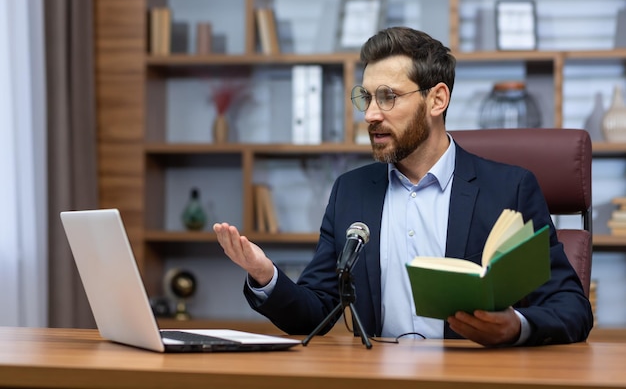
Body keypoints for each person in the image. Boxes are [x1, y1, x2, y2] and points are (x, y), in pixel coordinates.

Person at [213, 27, 593, 347]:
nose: (371, 114)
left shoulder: (510, 189)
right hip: (379, 378)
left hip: (474, 378)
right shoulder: (351, 191)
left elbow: (571, 309)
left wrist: (516, 326)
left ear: (437, 99)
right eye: (366, 97)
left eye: (388, 97)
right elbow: (316, 310)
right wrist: (266, 276)